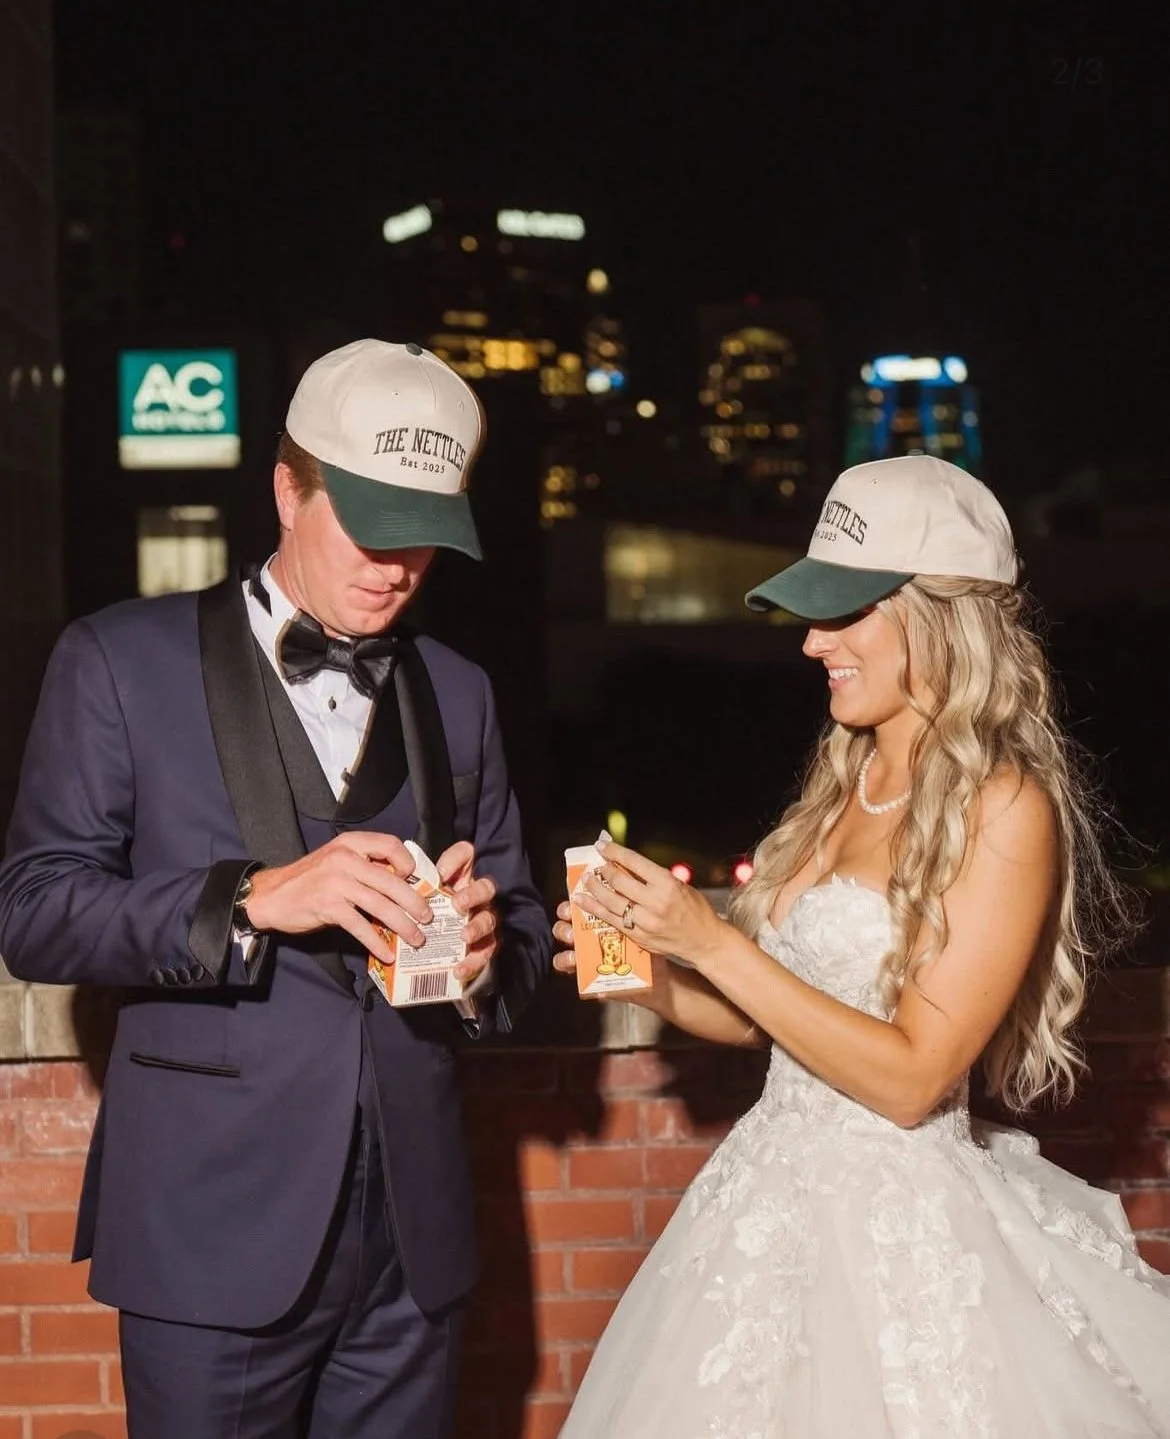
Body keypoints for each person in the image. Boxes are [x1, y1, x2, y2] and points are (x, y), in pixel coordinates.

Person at [0, 339, 552, 1439]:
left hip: (413, 1241)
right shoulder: (118, 658)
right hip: (209, 1230)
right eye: (370, 525)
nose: (397, 565)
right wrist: (249, 897)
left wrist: (491, 959)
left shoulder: (461, 690)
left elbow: (525, 929)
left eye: (425, 539)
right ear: (288, 489)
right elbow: (36, 907)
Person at [553, 455, 1170, 1436]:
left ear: (939, 614)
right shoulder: (843, 776)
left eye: (843, 613)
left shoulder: (1003, 803)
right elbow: (775, 1021)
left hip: (901, 1242)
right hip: (762, 1210)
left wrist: (712, 940)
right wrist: (650, 970)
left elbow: (913, 1076)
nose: (811, 644)